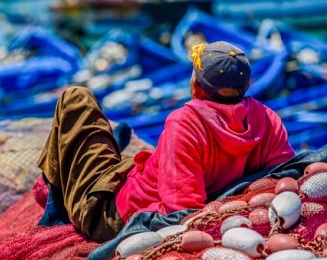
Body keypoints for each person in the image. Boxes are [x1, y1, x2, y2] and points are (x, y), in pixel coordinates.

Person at [37, 41, 295, 242]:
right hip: (136, 176)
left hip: (108, 212)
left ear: (195, 86)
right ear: (248, 84)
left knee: (75, 98)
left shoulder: (185, 124)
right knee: (119, 157)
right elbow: (280, 174)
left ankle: (57, 204)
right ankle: (111, 150)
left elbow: (182, 209)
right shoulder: (268, 119)